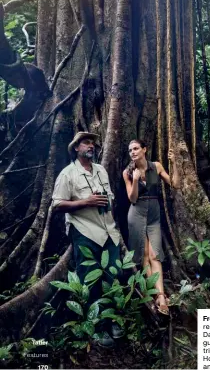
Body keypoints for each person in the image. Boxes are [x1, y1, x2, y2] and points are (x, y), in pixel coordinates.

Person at [52, 131, 123, 348]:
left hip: (109, 231)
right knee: (90, 281)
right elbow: (56, 205)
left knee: (114, 275)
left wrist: (105, 201)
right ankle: (97, 327)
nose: (90, 145)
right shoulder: (67, 174)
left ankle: (112, 321)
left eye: (92, 142)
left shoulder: (101, 170)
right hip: (84, 232)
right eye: (85, 143)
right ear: (76, 148)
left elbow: (109, 196)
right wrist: (86, 201)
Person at [123, 140, 180, 316]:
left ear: (144, 150)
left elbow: (175, 184)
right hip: (137, 213)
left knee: (156, 254)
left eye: (136, 148)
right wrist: (135, 180)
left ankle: (161, 296)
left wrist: (175, 163)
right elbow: (132, 199)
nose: (132, 152)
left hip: (154, 214)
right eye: (130, 149)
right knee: (144, 255)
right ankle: (155, 295)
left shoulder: (156, 166)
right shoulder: (128, 172)